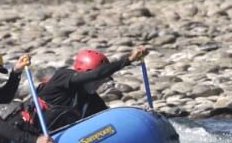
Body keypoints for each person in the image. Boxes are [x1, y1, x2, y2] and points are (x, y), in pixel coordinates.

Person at [21, 46, 150, 131]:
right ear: (85, 74)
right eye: (98, 80)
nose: (100, 83)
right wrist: (128, 60)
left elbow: (109, 120)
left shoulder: (91, 100)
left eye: (103, 80)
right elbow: (96, 74)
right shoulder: (63, 77)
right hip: (27, 135)